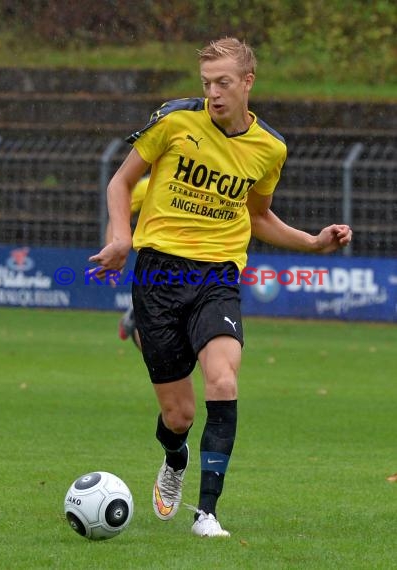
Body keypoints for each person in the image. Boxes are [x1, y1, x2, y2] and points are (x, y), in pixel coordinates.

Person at [89, 37, 352, 538]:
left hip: (217, 276)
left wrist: (314, 243)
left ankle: (206, 512)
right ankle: (175, 459)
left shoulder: (270, 148)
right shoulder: (174, 121)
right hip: (158, 276)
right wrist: (122, 238)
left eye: (223, 83)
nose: (212, 93)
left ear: (247, 82)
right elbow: (120, 184)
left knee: (224, 382)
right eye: (207, 83)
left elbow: (258, 216)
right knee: (179, 415)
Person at [105, 176, 149, 348]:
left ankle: (135, 314)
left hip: (201, 261)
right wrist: (113, 252)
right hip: (156, 260)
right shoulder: (147, 186)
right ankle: (137, 317)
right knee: (153, 342)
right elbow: (117, 218)